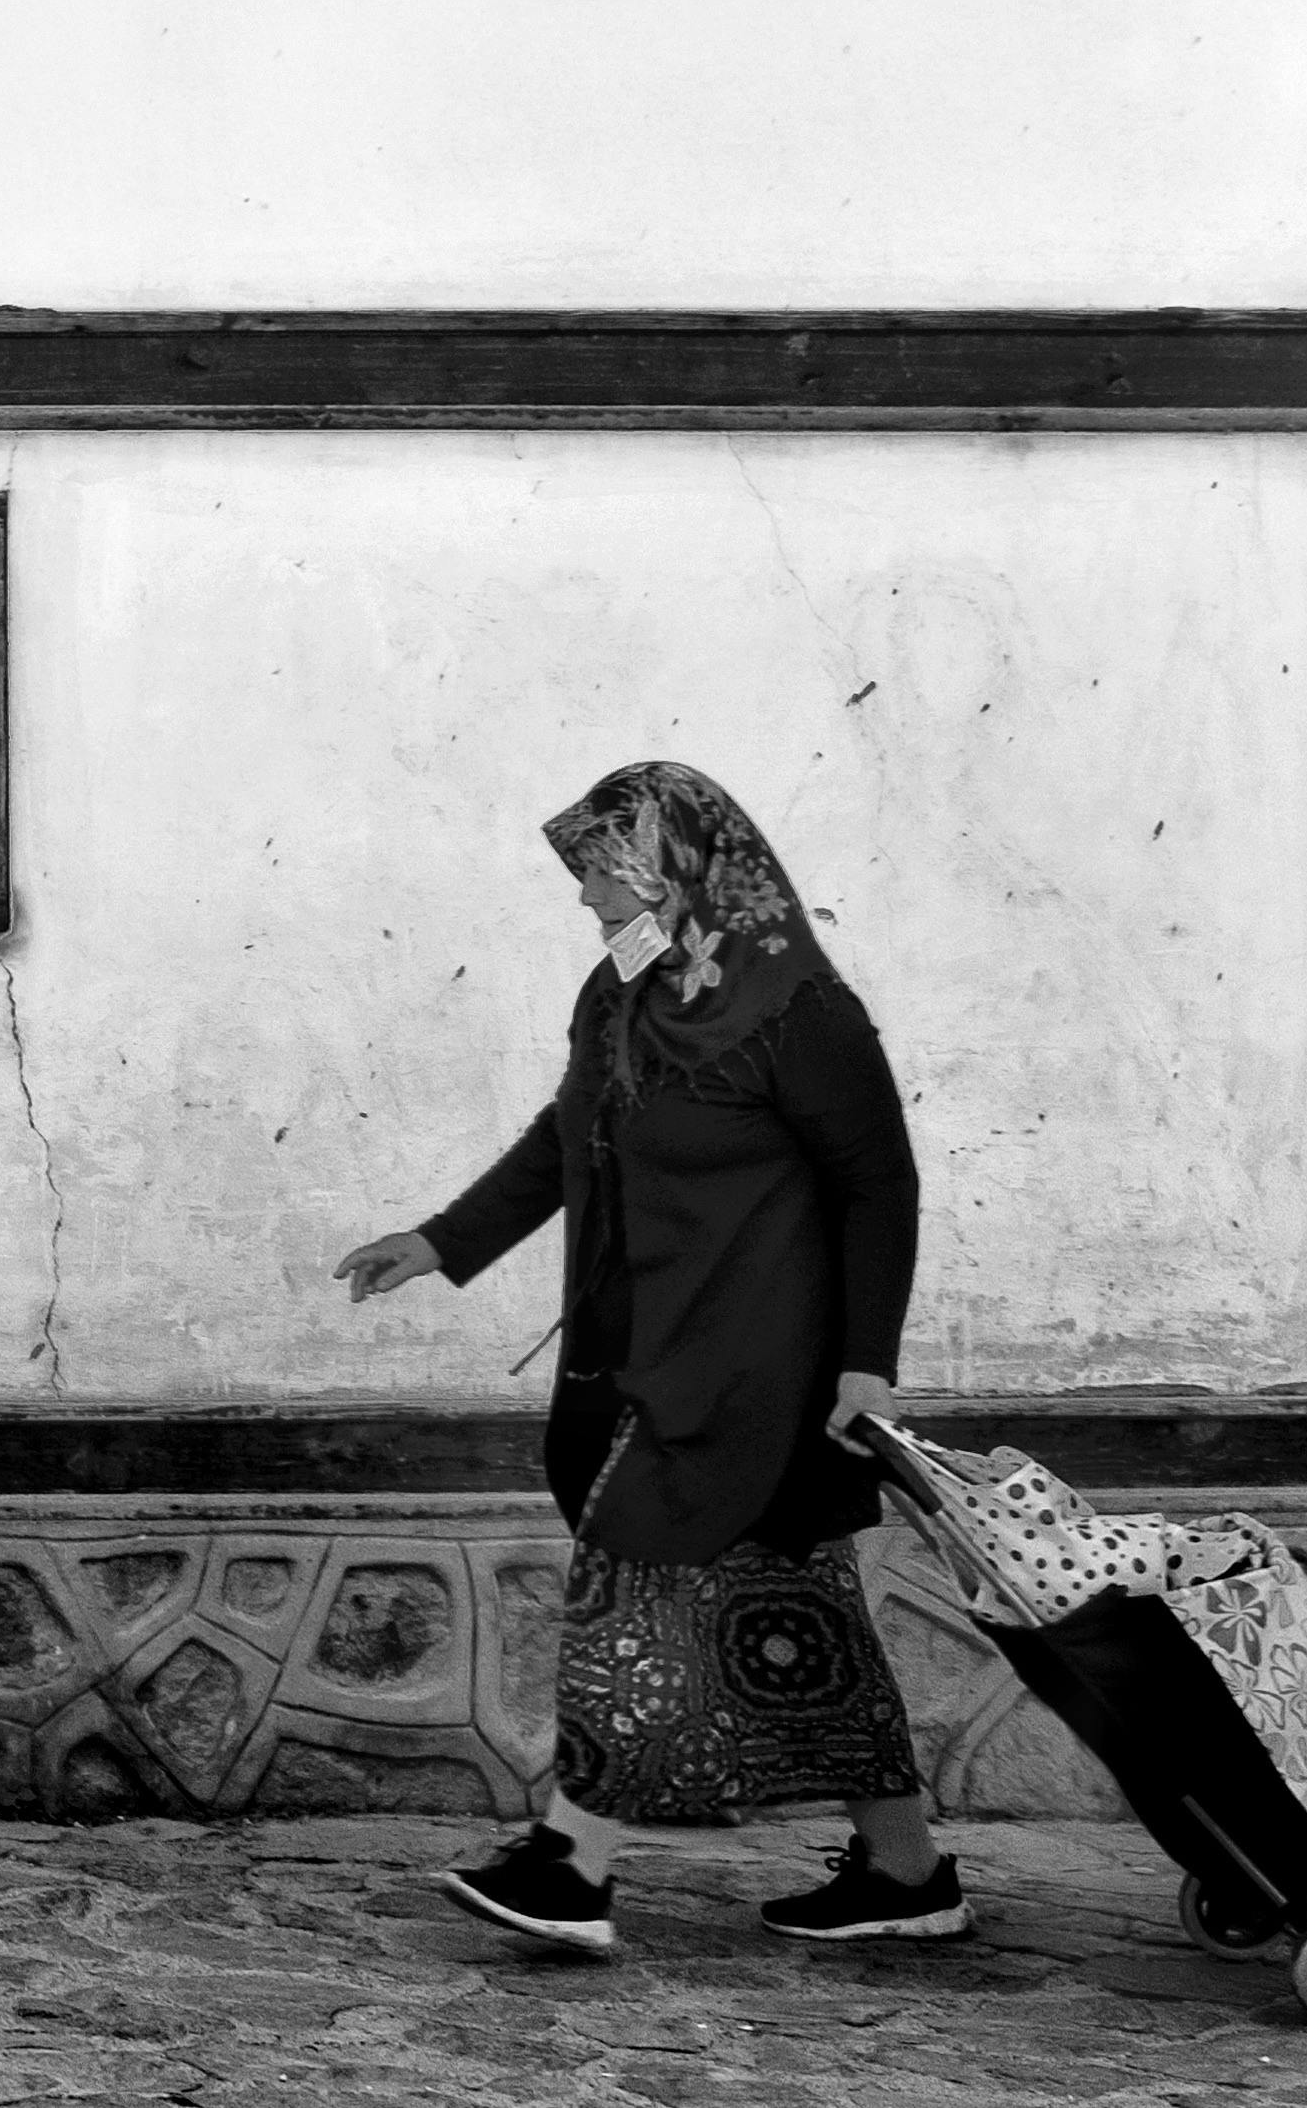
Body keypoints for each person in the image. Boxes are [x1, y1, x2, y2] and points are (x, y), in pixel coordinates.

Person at [336, 758, 966, 1960]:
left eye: (603, 875)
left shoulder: (799, 1014)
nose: (585, 901)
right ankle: (905, 1868)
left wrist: (866, 1365)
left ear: (678, 868)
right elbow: (564, 1134)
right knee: (796, 1604)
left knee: (627, 1567)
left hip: (754, 1357)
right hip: (639, 1343)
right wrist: (440, 1239)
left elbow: (876, 1185)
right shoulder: (622, 996)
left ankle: (574, 1864)